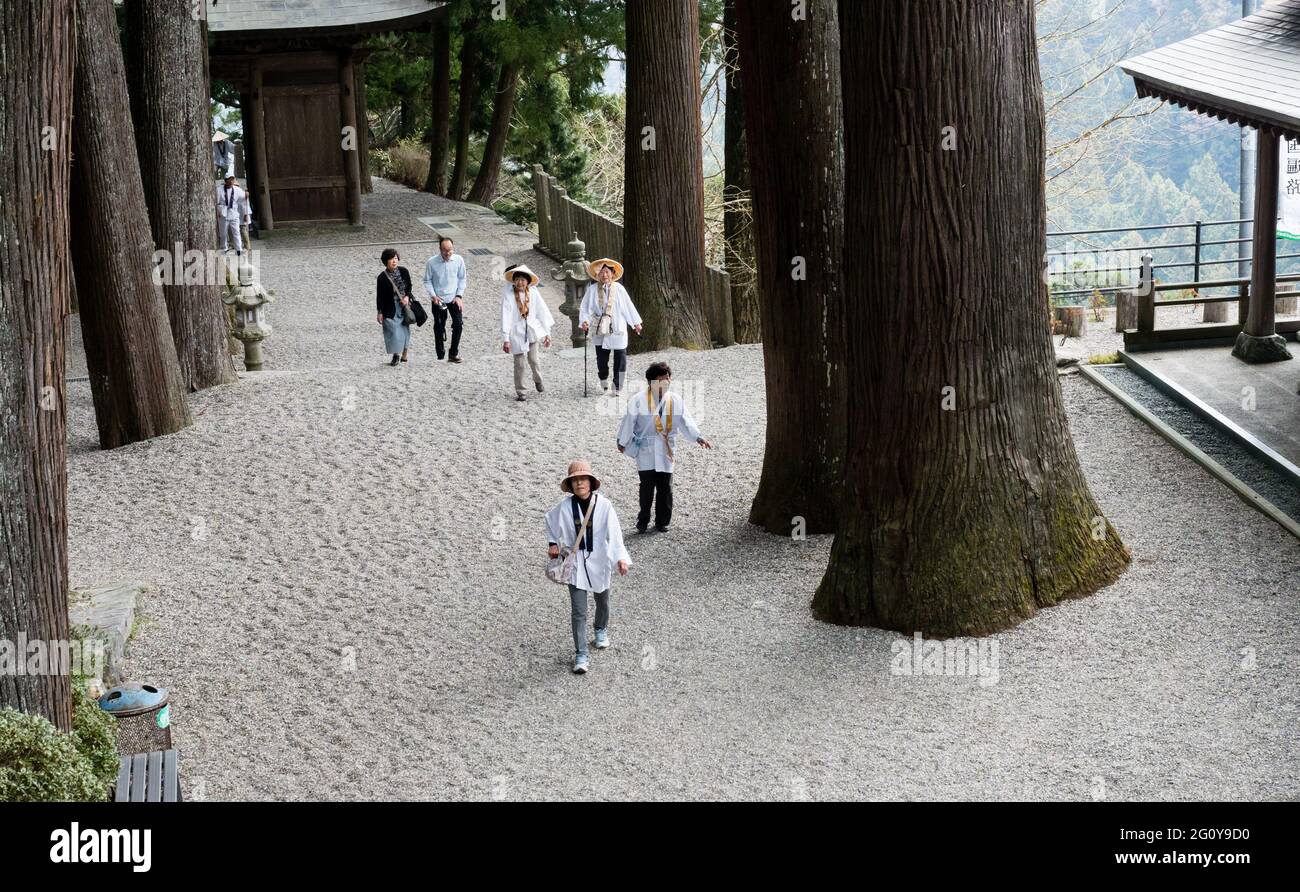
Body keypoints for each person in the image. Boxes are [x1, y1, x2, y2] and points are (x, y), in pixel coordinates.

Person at [544, 460, 631, 674]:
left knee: (602, 599)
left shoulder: (605, 505)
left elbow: (615, 534)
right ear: (571, 485)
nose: (579, 483)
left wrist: (620, 558)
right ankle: (581, 654)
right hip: (575, 563)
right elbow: (549, 521)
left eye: (583, 479)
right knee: (578, 610)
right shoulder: (564, 507)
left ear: (591, 483)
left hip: (600, 559)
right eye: (575, 480)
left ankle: (601, 629)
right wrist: (553, 543)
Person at [616, 362, 712, 534]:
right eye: (661, 380)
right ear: (651, 382)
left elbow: (685, 420)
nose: (665, 383)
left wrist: (698, 436)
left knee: (665, 486)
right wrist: (622, 441)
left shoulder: (675, 399)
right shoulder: (638, 400)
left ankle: (663, 521)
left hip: (666, 446)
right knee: (646, 486)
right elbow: (628, 421)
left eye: (667, 379)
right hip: (646, 447)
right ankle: (643, 519)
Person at [579, 258, 642, 395]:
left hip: (617, 326)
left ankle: (617, 386)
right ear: (597, 274)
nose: (604, 275)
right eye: (601, 272)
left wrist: (635, 323)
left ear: (613, 273)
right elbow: (585, 308)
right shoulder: (592, 290)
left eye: (607, 272)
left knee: (621, 357)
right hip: (600, 327)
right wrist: (585, 321)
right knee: (602, 358)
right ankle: (603, 377)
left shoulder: (619, 289)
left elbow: (628, 307)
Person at [500, 265, 554, 401]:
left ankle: (538, 379)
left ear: (528, 281)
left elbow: (542, 312)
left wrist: (547, 332)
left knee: (534, 360)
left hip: (532, 329)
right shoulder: (509, 295)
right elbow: (505, 316)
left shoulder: (534, 293)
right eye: (517, 279)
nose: (520, 282)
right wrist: (505, 338)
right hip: (516, 331)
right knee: (519, 364)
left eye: (523, 280)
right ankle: (521, 391)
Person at [422, 236, 467, 363]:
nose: (447, 253)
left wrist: (459, 296)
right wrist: (433, 295)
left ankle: (453, 353)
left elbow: (462, 278)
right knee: (439, 326)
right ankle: (440, 354)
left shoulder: (459, 260)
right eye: (444, 250)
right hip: (438, 299)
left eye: (450, 249)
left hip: (453, 298)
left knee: (458, 324)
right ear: (440, 249)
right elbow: (427, 280)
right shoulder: (432, 262)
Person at [376, 248, 415, 366]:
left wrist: (407, 297)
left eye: (396, 258)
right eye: (391, 259)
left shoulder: (404, 271)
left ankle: (404, 353)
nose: (394, 261)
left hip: (404, 304)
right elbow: (380, 296)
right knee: (392, 329)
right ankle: (395, 354)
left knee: (404, 329)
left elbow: (409, 286)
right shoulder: (382, 277)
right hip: (390, 306)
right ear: (386, 261)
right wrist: (380, 312)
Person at [215, 174, 251, 255]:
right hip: (223, 213)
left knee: (236, 232)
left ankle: (239, 249)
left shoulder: (237, 189)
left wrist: (246, 195)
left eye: (232, 179)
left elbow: (244, 200)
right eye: (229, 179)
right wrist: (217, 212)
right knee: (223, 233)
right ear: (225, 180)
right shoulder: (219, 190)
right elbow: (216, 202)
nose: (231, 181)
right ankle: (224, 248)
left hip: (234, 213)